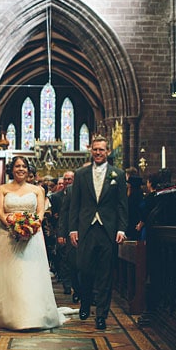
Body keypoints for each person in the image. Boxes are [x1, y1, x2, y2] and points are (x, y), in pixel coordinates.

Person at [0, 156, 74, 330]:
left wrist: (31, 226)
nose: (21, 169)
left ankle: (34, 314)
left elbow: (40, 212)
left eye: (24, 166)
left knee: (30, 273)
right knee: (8, 273)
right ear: (12, 169)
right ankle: (5, 314)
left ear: (28, 170)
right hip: (8, 235)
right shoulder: (2, 189)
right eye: (17, 166)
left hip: (32, 236)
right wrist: (13, 225)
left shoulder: (37, 190)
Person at [67, 135, 129, 331]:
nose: (98, 153)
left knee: (105, 274)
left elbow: (122, 205)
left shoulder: (117, 175)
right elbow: (75, 204)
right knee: (84, 269)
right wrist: (73, 229)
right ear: (91, 150)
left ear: (107, 152)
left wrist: (121, 228)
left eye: (101, 150)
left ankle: (101, 315)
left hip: (107, 230)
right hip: (86, 228)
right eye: (95, 149)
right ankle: (85, 301)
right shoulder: (81, 174)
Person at [52, 171, 78, 300]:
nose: (68, 181)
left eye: (70, 179)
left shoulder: (78, 192)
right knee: (66, 259)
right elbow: (61, 215)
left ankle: (77, 287)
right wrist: (60, 233)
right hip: (65, 231)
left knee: (78, 261)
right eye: (66, 179)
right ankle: (67, 285)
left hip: (79, 231)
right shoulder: (57, 196)